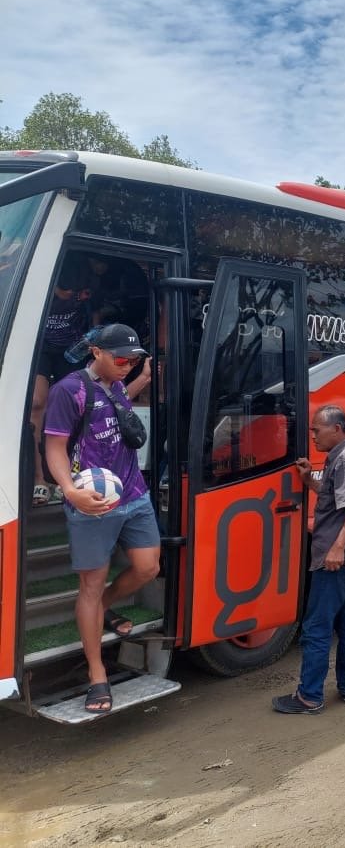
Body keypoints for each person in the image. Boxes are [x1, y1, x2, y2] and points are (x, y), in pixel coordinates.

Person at [42, 324, 159, 716]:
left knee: (147, 567)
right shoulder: (68, 391)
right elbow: (54, 447)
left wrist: (143, 376)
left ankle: (105, 606)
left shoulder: (118, 383)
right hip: (91, 501)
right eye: (121, 359)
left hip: (134, 495)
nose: (127, 366)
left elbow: (120, 407)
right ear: (96, 352)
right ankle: (97, 674)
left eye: (133, 359)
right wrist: (70, 491)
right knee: (89, 586)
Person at [273, 405, 345, 714]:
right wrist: (310, 482)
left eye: (317, 430)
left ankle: (309, 697)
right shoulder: (342, 457)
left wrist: (337, 547)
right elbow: (337, 498)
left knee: (316, 627)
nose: (313, 435)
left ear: (338, 429)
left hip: (341, 561)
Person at [31, 262, 92, 505]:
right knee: (36, 404)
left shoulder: (86, 290)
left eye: (75, 293)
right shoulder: (39, 288)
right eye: (65, 292)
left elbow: (96, 315)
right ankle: (38, 477)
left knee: (76, 406)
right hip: (41, 349)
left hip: (72, 351)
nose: (71, 297)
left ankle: (68, 474)